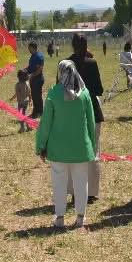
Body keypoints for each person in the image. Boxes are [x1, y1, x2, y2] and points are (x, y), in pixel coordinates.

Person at [36, 60, 98, 229]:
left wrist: (41, 145)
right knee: (81, 182)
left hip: (58, 149)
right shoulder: (85, 93)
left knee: (59, 183)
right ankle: (80, 218)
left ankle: (60, 217)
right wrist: (92, 145)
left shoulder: (53, 93)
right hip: (81, 148)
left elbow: (46, 123)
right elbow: (91, 123)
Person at [67, 33, 104, 203]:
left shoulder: (66, 65)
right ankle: (91, 192)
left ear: (72, 45)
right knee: (93, 152)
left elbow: (62, 91)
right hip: (92, 112)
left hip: (73, 113)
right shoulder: (92, 63)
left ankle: (75, 191)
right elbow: (99, 89)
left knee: (74, 152)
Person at [26, 41, 46, 118]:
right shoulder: (33, 55)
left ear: (33, 48)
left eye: (29, 48)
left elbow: (39, 70)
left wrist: (31, 75)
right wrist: (25, 70)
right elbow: (31, 66)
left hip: (37, 79)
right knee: (35, 96)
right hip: (34, 79)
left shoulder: (39, 56)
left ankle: (39, 112)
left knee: (37, 96)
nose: (28, 50)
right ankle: (37, 111)